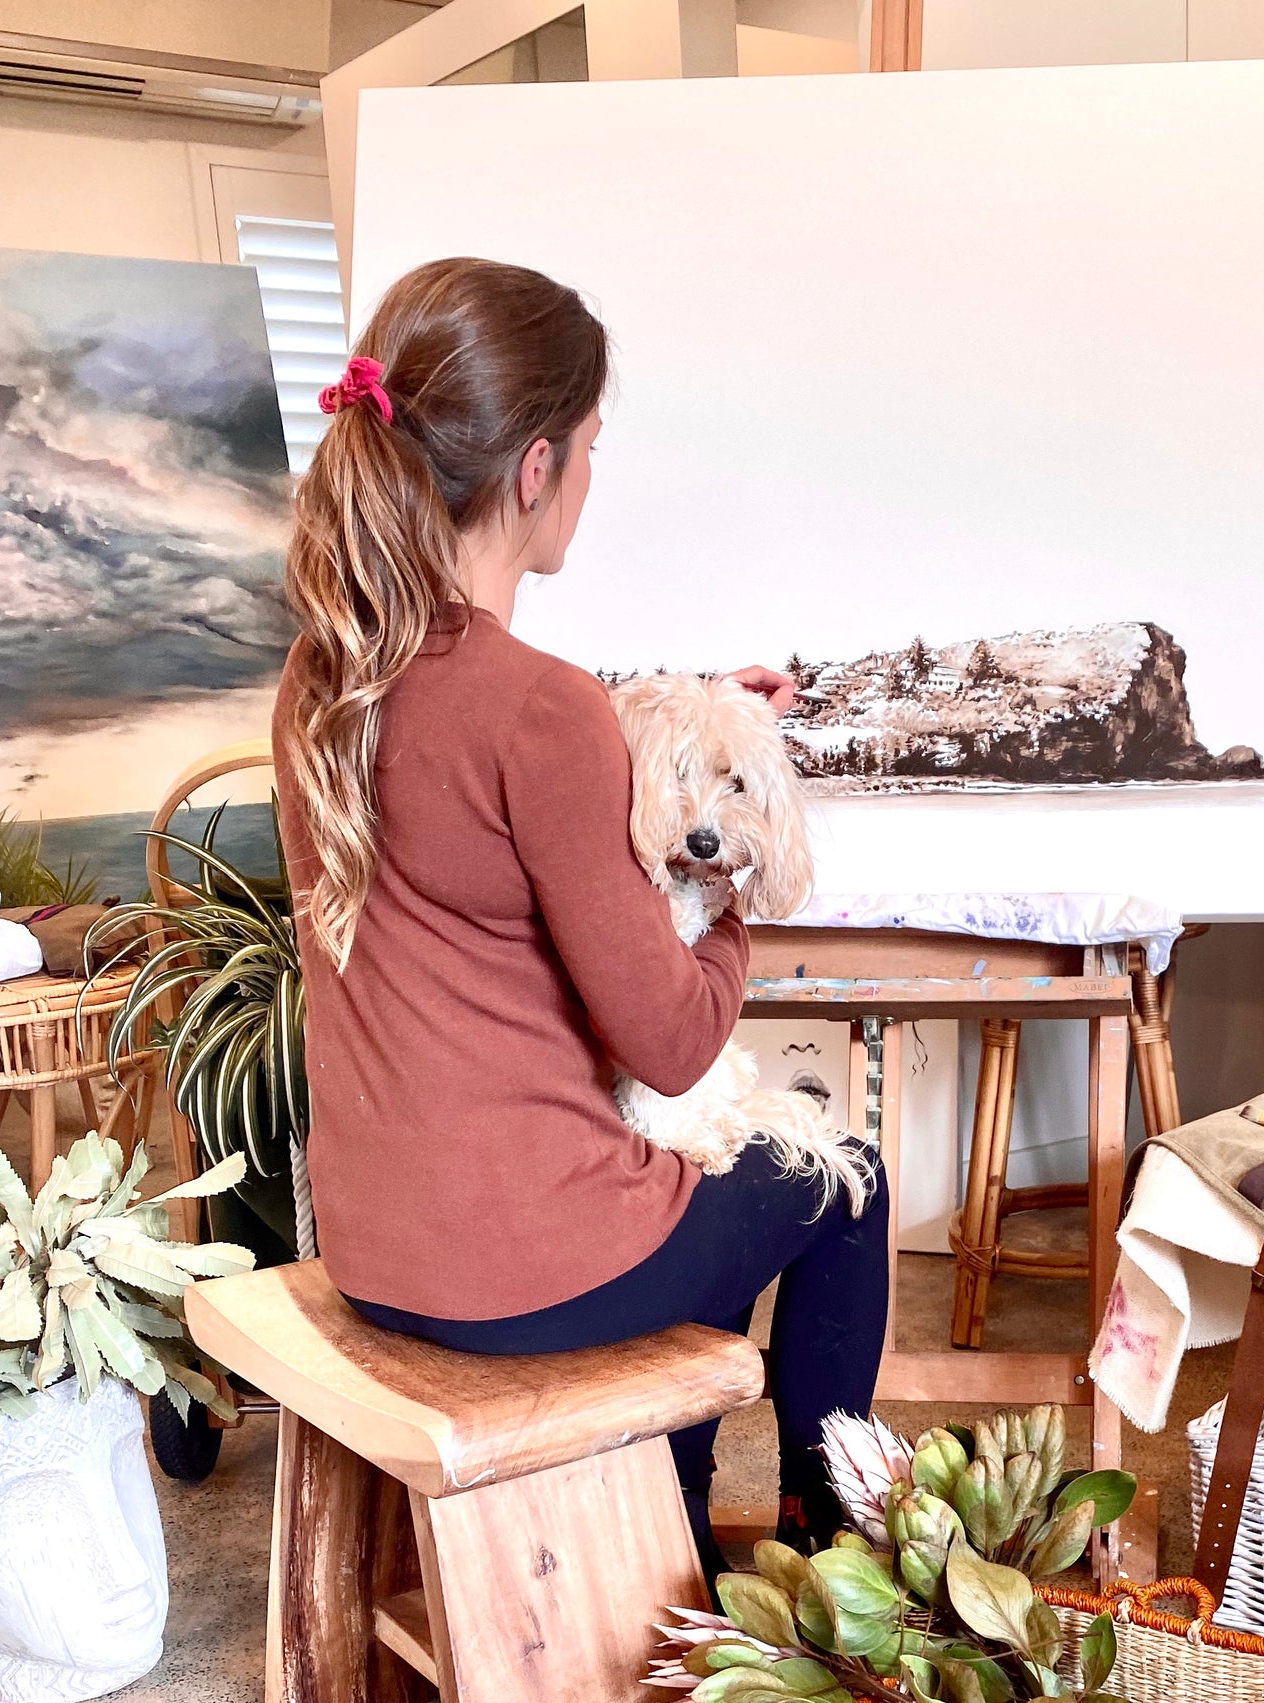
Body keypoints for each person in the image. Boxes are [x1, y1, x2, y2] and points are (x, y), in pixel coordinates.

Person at [273, 256, 887, 1573]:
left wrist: (693, 733)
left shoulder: (320, 681)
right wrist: (728, 888)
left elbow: (481, 858)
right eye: (594, 448)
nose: (592, 482)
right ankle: (832, 1569)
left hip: (375, 1249)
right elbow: (669, 1044)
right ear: (536, 467)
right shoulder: (539, 705)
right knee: (848, 1184)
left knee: (697, 1198)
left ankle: (673, 1542)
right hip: (525, 1274)